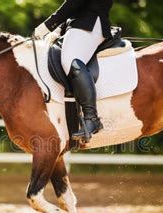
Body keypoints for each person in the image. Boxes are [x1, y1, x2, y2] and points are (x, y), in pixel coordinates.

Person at [34, 0, 113, 142]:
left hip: (91, 23)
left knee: (71, 60)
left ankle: (91, 118)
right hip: (77, 25)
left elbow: (74, 3)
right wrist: (59, 28)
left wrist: (45, 26)